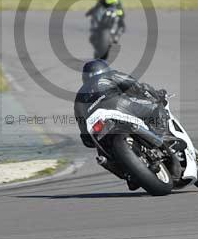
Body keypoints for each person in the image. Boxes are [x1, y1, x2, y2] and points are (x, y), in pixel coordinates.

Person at [74, 59, 173, 189]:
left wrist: (92, 141)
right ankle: (162, 137)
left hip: (96, 125)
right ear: (104, 69)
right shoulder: (109, 75)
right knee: (156, 107)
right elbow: (136, 86)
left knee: (103, 153)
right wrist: (156, 95)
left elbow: (86, 138)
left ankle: (128, 174)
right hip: (119, 106)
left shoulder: (78, 99)